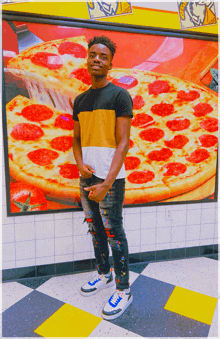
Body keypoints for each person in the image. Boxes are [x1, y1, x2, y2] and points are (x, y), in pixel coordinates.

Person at [73, 35, 133, 320]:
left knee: (114, 233)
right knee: (95, 229)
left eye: (103, 56)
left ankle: (123, 289)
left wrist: (107, 182)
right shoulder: (80, 99)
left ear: (111, 63)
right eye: (93, 54)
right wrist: (80, 163)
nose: (97, 59)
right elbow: (76, 140)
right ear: (87, 58)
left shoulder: (120, 96)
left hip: (110, 179)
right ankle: (103, 273)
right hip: (87, 177)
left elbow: (123, 142)